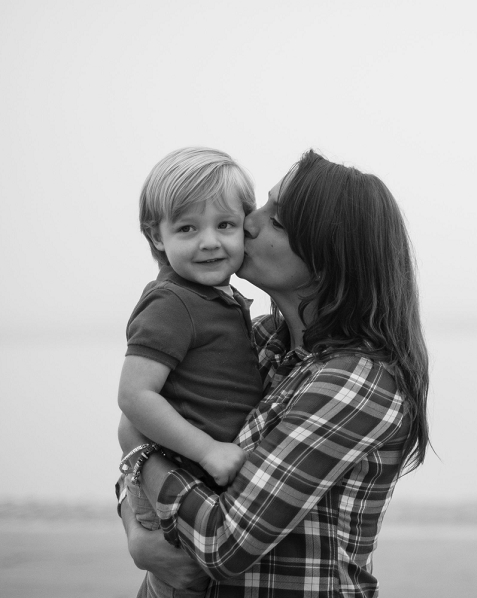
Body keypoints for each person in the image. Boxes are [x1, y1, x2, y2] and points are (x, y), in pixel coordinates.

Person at [118, 149, 430, 598]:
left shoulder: (355, 381)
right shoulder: (260, 341)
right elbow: (148, 427)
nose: (248, 221)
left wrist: (139, 454)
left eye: (276, 220)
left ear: (326, 258)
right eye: (260, 204)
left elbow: (224, 543)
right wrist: (139, 532)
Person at [118, 147, 265, 597]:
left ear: (245, 226)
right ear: (157, 237)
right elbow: (135, 395)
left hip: (195, 483)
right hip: (181, 477)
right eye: (187, 228)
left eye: (225, 225)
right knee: (179, 583)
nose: (209, 242)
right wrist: (207, 450)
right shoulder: (172, 302)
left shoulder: (217, 299)